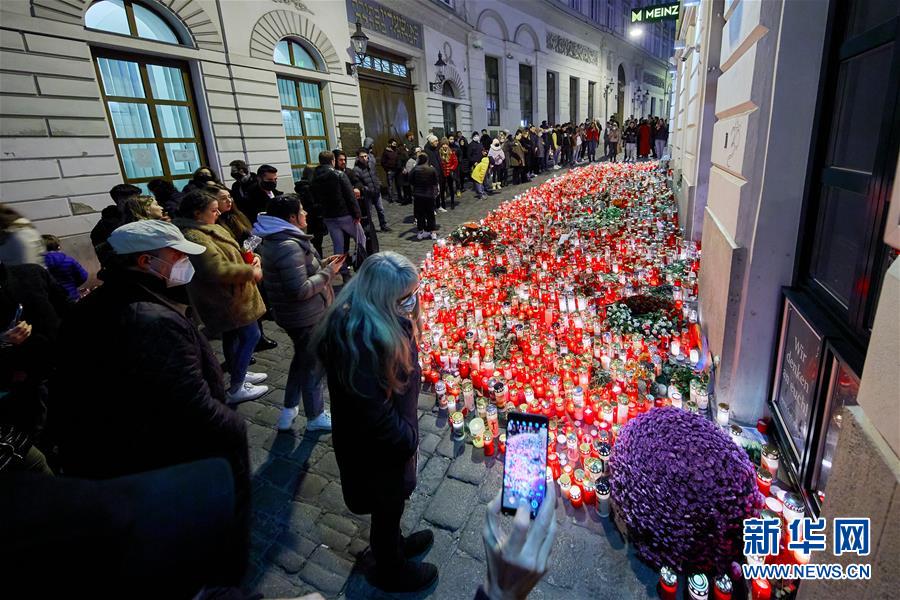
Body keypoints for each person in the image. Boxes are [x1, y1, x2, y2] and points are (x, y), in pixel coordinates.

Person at [49, 219, 251, 585]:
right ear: (146, 262)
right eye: (177, 256)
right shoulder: (149, 318)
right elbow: (191, 407)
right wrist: (234, 428)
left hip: (124, 458)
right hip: (158, 461)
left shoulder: (107, 302)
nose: (185, 264)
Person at [312, 252, 437, 593]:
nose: (412, 301)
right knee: (387, 504)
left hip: (384, 443)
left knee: (391, 507)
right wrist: (406, 438)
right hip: (377, 450)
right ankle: (390, 568)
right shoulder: (361, 340)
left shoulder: (374, 320)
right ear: (382, 298)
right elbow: (373, 413)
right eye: (405, 296)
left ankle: (394, 543)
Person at [254, 194, 342, 433]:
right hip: (304, 316)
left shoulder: (281, 238)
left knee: (301, 360)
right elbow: (299, 289)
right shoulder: (288, 245)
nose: (306, 213)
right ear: (292, 217)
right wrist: (329, 273)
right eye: (302, 210)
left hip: (297, 314)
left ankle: (289, 409)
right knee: (314, 365)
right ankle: (315, 416)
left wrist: (323, 264)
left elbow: (300, 271)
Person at [173, 191, 268, 404]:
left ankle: (238, 372)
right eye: (213, 210)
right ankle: (237, 387)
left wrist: (252, 258)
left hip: (234, 294)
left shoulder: (208, 227)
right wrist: (249, 272)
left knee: (233, 337)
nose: (218, 213)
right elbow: (215, 269)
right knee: (251, 335)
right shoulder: (194, 235)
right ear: (198, 213)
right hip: (226, 298)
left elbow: (231, 252)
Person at [311, 151, 361, 282]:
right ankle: (362, 263)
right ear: (333, 161)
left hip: (328, 216)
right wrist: (357, 213)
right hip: (344, 214)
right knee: (361, 238)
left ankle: (344, 272)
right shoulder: (339, 174)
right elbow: (350, 195)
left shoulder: (315, 177)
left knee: (338, 245)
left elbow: (315, 197)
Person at [89, 183, 142, 255]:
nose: (140, 201)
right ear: (123, 200)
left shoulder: (136, 215)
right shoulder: (110, 222)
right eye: (137, 198)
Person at [352, 148, 382, 255]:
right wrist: (366, 189)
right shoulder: (356, 169)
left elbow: (375, 175)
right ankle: (369, 230)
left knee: (380, 209)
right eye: (362, 157)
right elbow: (357, 183)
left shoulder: (371, 164)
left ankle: (383, 225)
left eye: (365, 156)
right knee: (369, 213)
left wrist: (378, 184)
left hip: (376, 191)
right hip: (367, 194)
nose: (364, 158)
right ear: (358, 158)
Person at [42, 234, 88, 301]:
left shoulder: (40, 264)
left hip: (52, 300)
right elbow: (84, 276)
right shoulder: (68, 259)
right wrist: (72, 286)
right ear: (58, 247)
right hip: (72, 296)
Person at [294, 166, 326, 257]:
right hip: (314, 220)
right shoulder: (308, 187)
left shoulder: (302, 186)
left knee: (314, 244)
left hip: (309, 220)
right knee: (316, 244)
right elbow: (312, 205)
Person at [363, 137, 391, 232]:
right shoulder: (362, 157)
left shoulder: (372, 155)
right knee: (369, 211)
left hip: (375, 186)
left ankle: (383, 225)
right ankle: (369, 227)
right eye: (371, 144)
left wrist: (377, 181)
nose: (373, 145)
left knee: (380, 208)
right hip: (368, 187)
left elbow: (374, 170)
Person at [408, 153, 438, 240]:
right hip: (429, 194)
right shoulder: (431, 169)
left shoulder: (415, 169)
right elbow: (435, 181)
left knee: (420, 214)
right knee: (430, 214)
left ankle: (421, 231)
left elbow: (410, 180)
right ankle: (432, 232)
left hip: (418, 194)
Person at [423, 135, 445, 213]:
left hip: (438, 173)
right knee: (432, 192)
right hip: (431, 174)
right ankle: (432, 208)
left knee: (438, 191)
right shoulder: (426, 151)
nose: (437, 142)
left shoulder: (436, 149)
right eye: (436, 141)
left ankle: (438, 206)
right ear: (431, 142)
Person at [380, 138, 402, 205]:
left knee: (398, 184)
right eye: (393, 144)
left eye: (395, 144)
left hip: (397, 170)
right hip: (390, 171)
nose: (395, 145)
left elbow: (399, 158)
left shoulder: (397, 150)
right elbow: (383, 162)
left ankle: (399, 197)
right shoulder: (386, 152)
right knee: (390, 185)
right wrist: (387, 169)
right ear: (389, 144)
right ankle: (391, 198)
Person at [439, 140, 458, 209]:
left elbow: (455, 162)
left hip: (449, 173)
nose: (445, 146)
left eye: (446, 144)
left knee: (451, 188)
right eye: (443, 144)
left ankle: (452, 202)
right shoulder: (439, 153)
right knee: (442, 189)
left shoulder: (451, 152)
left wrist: (451, 168)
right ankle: (443, 204)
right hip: (442, 174)